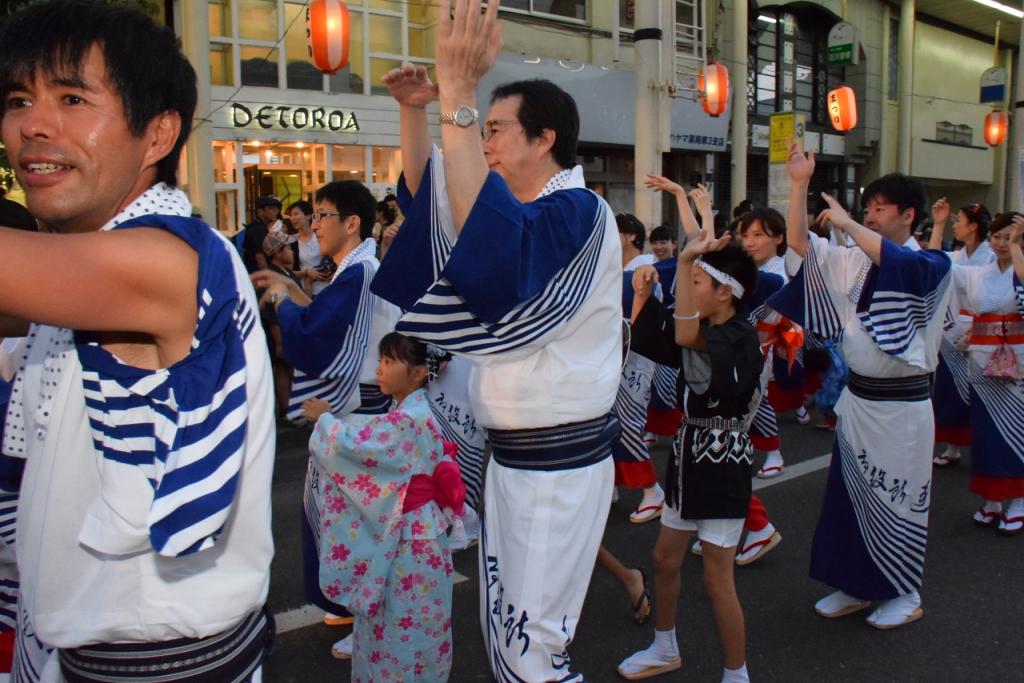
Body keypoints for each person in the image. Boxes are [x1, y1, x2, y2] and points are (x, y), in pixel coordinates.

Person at [0, 1, 275, 680]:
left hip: (155, 663)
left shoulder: (167, 261)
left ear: (157, 135)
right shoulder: (90, 263)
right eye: (17, 99)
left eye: (71, 97)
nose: (33, 125)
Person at [371, 4, 622, 678]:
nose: (482, 141)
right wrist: (420, 112)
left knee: (531, 645)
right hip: (515, 462)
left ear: (545, 139)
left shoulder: (578, 209)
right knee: (510, 634)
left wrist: (457, 93)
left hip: (557, 464)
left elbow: (496, 274)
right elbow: (438, 209)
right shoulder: (522, 212)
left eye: (495, 129)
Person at [770, 144, 952, 629]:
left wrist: (849, 224)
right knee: (850, 497)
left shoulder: (932, 265)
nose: (869, 215)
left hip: (903, 407)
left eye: (879, 209)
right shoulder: (855, 262)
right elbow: (801, 245)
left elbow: (905, 270)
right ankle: (856, 584)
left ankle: (904, 590)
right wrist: (799, 184)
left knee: (898, 498)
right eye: (866, 208)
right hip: (861, 400)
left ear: (907, 215)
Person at [251, 180, 400, 646]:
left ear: (351, 223)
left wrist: (281, 297)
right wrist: (290, 288)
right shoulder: (357, 270)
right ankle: (359, 610)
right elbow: (322, 320)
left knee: (356, 523)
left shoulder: (359, 272)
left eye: (321, 215)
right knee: (354, 520)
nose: (312, 224)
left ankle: (369, 619)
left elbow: (316, 336)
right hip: (365, 408)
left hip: (360, 412)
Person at [620, 229, 762, 683]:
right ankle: (664, 646)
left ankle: (736, 674)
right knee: (664, 560)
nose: (690, 288)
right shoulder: (706, 328)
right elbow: (650, 337)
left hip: (724, 463)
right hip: (688, 455)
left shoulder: (739, 335)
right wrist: (644, 293)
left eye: (699, 282)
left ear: (726, 292)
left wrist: (682, 262)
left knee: (717, 579)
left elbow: (680, 332)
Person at [302, 332, 465, 681]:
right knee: (404, 625)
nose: (379, 369)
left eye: (389, 362)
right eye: (380, 361)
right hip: (414, 536)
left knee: (404, 625)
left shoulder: (408, 419)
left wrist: (326, 419)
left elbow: (353, 448)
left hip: (411, 544)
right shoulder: (407, 414)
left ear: (420, 372)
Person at [948, 212, 1024, 533]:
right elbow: (943, 269)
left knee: (1015, 433)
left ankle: (1019, 499)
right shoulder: (980, 273)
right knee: (986, 433)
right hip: (980, 362)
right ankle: (992, 499)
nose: (1002, 243)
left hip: (1016, 364)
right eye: (997, 236)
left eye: (1011, 237)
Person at [928, 199, 996, 467]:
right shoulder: (957, 256)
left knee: (983, 395)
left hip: (984, 335)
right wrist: (939, 224)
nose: (955, 225)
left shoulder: (992, 258)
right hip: (953, 332)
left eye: (959, 221)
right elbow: (933, 261)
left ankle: (984, 451)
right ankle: (953, 446)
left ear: (974, 226)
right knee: (949, 391)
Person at [613, 212, 665, 523]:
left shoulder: (645, 269)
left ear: (632, 235)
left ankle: (651, 490)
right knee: (608, 425)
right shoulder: (612, 268)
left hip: (635, 359)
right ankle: (611, 485)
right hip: (611, 358)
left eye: (615, 231)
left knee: (628, 424)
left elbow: (645, 320)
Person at [287, 199, 331, 296]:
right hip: (305, 292)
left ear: (307, 215)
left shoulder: (320, 236)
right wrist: (306, 273)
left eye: (296, 214)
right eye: (291, 215)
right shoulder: (291, 242)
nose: (293, 218)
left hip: (326, 289)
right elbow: (288, 272)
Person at [242, 195, 282, 272]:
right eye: (271, 208)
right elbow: (260, 257)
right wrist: (269, 278)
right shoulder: (257, 229)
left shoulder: (260, 227)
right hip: (256, 275)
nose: (276, 211)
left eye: (276, 208)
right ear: (260, 211)